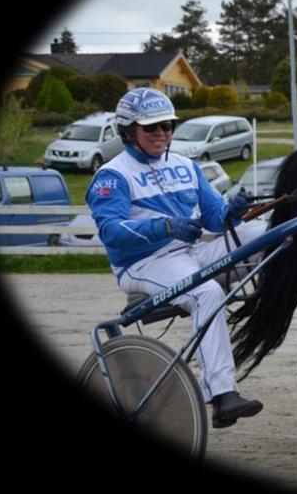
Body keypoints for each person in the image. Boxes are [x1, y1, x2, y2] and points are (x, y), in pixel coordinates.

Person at [87, 87, 266, 428]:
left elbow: (216, 220)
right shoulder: (112, 175)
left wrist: (235, 212)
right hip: (146, 263)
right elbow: (111, 233)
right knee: (206, 292)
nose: (161, 134)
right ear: (128, 132)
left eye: (167, 126)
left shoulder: (187, 166)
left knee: (272, 233)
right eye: (151, 128)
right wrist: (165, 227)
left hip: (194, 249)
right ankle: (222, 395)